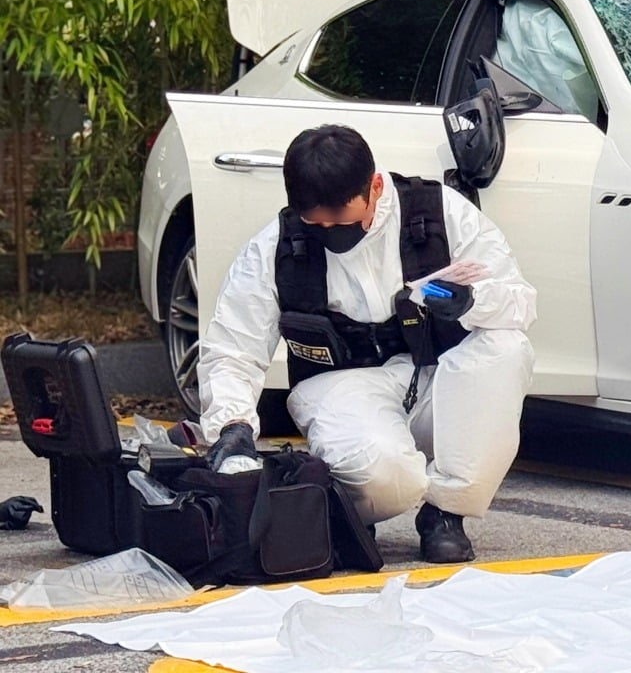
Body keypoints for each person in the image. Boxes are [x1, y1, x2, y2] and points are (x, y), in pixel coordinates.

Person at [197, 124, 536, 563]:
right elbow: (233, 347)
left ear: (375, 186)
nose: (330, 230)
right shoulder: (275, 248)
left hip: (436, 378)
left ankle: (446, 513)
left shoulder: (440, 214)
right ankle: (351, 512)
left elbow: (519, 305)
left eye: (340, 218)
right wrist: (233, 424)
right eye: (315, 222)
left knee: (507, 348)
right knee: (389, 479)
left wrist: (473, 300)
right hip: (343, 389)